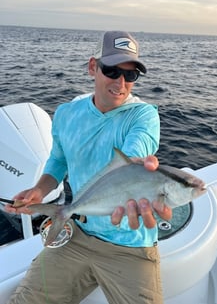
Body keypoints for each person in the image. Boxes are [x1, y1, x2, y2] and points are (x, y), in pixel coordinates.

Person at [5, 30, 172, 304]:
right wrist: (39, 189)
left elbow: (134, 156)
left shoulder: (144, 115)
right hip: (78, 235)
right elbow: (58, 161)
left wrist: (138, 169)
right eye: (112, 70)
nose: (121, 82)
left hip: (130, 245)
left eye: (130, 75)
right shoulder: (67, 113)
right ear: (93, 67)